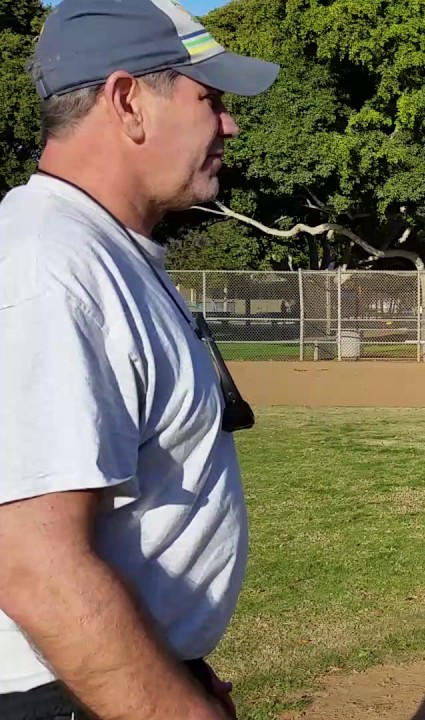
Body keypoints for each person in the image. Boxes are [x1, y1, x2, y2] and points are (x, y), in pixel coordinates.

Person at [0, 1, 279, 718]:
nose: (229, 125)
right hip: (60, 694)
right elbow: (34, 567)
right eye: (209, 99)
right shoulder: (51, 268)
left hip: (101, 678)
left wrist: (175, 665)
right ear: (128, 102)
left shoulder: (103, 252)